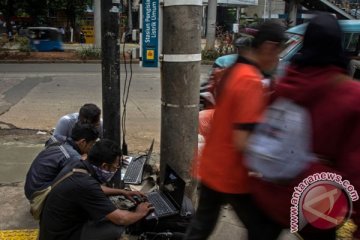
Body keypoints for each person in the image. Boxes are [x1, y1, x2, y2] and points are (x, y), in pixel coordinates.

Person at [249, 13, 360, 239]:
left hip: (271, 193)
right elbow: (354, 168)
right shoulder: (351, 95)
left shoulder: (284, 85)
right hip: (317, 202)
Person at [184, 21, 285, 240]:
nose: (278, 59)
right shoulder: (250, 80)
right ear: (269, 46)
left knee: (200, 228)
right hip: (233, 174)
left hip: (212, 166)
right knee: (263, 229)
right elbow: (242, 140)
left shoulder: (236, 70)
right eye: (278, 51)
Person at [39, 139, 154, 240]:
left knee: (107, 212)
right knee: (116, 228)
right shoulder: (84, 184)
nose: (116, 170)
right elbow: (121, 219)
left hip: (52, 229)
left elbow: (96, 188)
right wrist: (139, 213)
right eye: (115, 167)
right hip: (62, 236)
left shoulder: (78, 165)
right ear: (104, 166)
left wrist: (123, 192)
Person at [25, 122, 99, 200]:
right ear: (83, 142)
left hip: (30, 190)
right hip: (40, 197)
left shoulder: (56, 139)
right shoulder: (73, 157)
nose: (92, 148)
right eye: (92, 144)